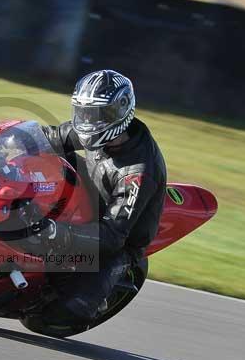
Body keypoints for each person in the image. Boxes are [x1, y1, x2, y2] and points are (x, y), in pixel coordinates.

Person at [37, 69, 167, 324]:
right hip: (92, 193)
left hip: (119, 240)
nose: (87, 121)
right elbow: (52, 137)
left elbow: (113, 235)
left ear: (118, 112)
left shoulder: (137, 173)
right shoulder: (97, 130)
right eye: (83, 112)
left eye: (94, 114)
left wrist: (56, 232)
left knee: (64, 314)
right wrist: (3, 136)